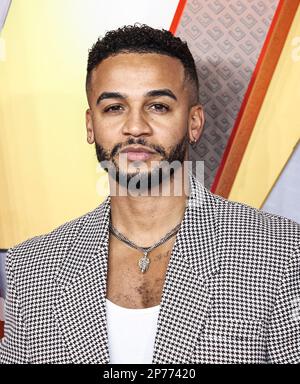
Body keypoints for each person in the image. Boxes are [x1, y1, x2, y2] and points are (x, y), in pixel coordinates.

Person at [0, 24, 299, 364]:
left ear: (194, 122)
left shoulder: (282, 255)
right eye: (114, 107)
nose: (136, 126)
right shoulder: (33, 267)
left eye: (158, 106)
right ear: (90, 124)